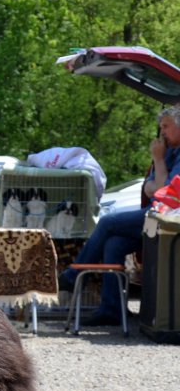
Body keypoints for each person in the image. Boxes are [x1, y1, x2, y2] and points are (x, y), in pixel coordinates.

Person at [58, 105, 180, 325]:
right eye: (161, 126)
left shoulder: (167, 153)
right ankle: (111, 310)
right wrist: (157, 179)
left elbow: (161, 190)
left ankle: (73, 276)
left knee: (107, 222)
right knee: (114, 243)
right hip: (155, 214)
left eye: (166, 126)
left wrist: (158, 160)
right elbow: (149, 188)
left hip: (169, 218)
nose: (162, 132)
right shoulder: (169, 149)